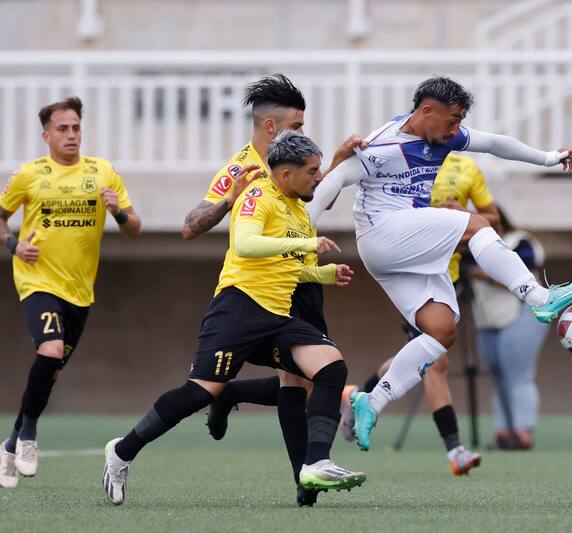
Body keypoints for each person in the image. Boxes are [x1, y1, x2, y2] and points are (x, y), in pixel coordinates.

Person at [305, 76, 572, 452]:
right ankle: (537, 296)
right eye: (452, 120)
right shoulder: (384, 145)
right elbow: (336, 180)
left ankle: (371, 401)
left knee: (441, 330)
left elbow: (495, 143)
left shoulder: (443, 135)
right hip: (383, 235)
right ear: (426, 112)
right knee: (476, 226)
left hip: (404, 248)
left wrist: (548, 157)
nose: (457, 130)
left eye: (459, 121)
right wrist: (300, 230)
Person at [101, 131, 365, 506]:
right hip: (238, 309)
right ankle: (122, 452)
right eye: (312, 171)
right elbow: (245, 244)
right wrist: (306, 246)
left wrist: (325, 273)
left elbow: (296, 269)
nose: (320, 178)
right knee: (199, 393)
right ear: (286, 175)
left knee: (330, 367)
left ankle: (316, 463)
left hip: (277, 317)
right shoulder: (258, 196)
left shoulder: (299, 213)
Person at [181, 74, 360, 507]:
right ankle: (305, 478)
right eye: (297, 125)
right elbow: (190, 227)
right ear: (271, 127)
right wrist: (228, 201)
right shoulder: (240, 169)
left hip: (302, 278)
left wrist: (335, 161)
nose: (303, 131)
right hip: (264, 283)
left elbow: (316, 199)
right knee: (299, 379)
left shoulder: (299, 161)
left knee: (303, 379)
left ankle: (232, 396)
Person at [0, 97, 142, 489]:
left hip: (80, 290)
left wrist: (118, 212)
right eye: (62, 129)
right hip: (37, 279)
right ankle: (27, 435)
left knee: (53, 371)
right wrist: (14, 247)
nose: (71, 135)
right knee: (50, 350)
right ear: (46, 135)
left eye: (76, 128)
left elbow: (135, 228)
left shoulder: (102, 172)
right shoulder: (30, 175)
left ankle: (8, 444)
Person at [341, 153, 498, 475]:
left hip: (448, 277)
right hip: (415, 275)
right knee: (436, 362)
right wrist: (430, 217)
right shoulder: (406, 163)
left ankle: (358, 395)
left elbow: (492, 217)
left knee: (419, 357)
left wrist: (461, 215)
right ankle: (456, 450)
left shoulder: (467, 167)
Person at [467, 207, 547, 450]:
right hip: (487, 317)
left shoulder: (520, 240)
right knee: (497, 375)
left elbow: (526, 265)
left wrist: (482, 273)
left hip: (521, 313)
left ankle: (522, 430)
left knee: (518, 375)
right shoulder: (469, 246)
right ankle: (505, 430)